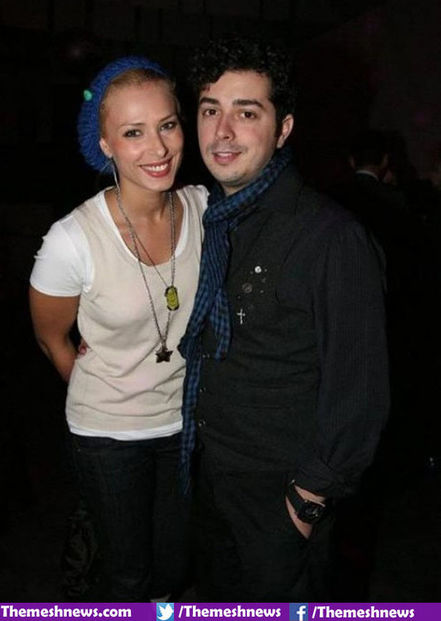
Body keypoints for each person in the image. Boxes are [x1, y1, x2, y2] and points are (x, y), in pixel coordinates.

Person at [178, 37, 390, 602]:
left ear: (284, 128)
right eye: (210, 111)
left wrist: (307, 501)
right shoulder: (209, 219)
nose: (222, 131)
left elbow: (360, 389)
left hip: (281, 497)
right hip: (210, 479)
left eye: (247, 113)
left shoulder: (330, 237)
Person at [29, 56, 207, 601]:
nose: (157, 148)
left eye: (167, 125)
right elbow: (51, 337)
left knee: (175, 567)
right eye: (133, 133)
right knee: (128, 575)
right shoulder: (72, 239)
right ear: (105, 144)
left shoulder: (204, 209)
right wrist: (104, 390)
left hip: (183, 427)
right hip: (108, 436)